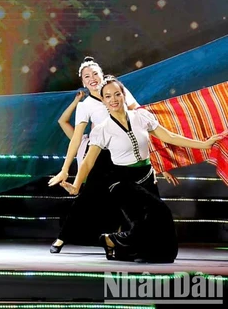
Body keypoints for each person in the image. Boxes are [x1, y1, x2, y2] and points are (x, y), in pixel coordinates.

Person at [60, 76, 226, 263]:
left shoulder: (141, 117)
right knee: (161, 212)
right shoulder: (102, 129)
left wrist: (204, 144)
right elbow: (88, 161)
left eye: (117, 94)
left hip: (146, 176)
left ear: (124, 95)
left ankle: (115, 243)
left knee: (162, 247)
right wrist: (76, 185)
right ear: (103, 101)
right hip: (122, 181)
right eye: (108, 96)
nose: (113, 99)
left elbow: (169, 137)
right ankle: (114, 240)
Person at [47, 56, 140, 254]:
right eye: (87, 76)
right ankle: (61, 238)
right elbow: (76, 138)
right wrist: (65, 169)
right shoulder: (85, 105)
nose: (92, 79)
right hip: (101, 156)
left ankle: (119, 241)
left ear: (102, 75)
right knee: (86, 198)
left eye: (95, 74)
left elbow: (140, 116)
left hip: (126, 152)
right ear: (83, 82)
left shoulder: (118, 91)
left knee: (126, 198)